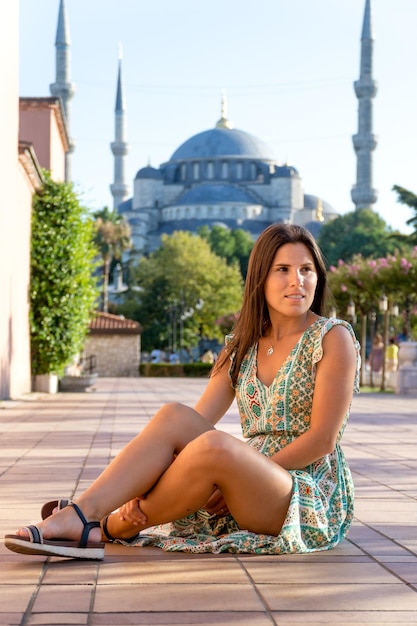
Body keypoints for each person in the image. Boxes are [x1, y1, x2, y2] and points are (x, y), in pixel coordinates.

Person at [5, 223, 360, 560]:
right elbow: (194, 423)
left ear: (318, 276)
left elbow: (322, 439)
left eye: (306, 270)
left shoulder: (332, 338)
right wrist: (144, 483)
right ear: (261, 278)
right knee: (174, 415)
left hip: (305, 489)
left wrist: (244, 470)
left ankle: (102, 524)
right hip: (245, 476)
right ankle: (88, 515)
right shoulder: (242, 346)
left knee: (216, 446)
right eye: (283, 269)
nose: (296, 281)